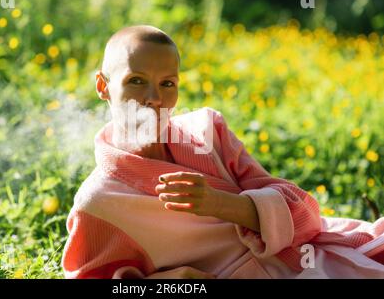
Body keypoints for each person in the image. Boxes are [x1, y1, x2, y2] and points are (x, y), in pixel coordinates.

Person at [61, 25, 384, 279]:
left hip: (319, 260)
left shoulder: (206, 132)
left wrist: (221, 204)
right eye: (136, 80)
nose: (154, 98)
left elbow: (306, 218)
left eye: (167, 84)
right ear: (103, 87)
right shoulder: (99, 204)